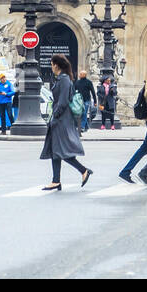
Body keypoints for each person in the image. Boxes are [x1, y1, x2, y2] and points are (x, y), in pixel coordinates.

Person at [41, 54, 92, 190]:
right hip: (61, 118)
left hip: (61, 119)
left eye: (51, 64)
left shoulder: (64, 80)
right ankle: (56, 180)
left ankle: (83, 170)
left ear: (56, 65)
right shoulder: (62, 79)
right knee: (56, 150)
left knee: (61, 150)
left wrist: (55, 117)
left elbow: (63, 101)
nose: (51, 67)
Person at [75, 68, 96, 133]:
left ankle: (82, 127)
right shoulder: (77, 82)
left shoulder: (88, 82)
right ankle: (86, 126)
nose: (79, 75)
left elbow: (93, 91)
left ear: (84, 75)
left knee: (84, 113)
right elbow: (74, 90)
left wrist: (95, 101)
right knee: (81, 113)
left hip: (86, 100)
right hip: (79, 100)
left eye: (81, 74)